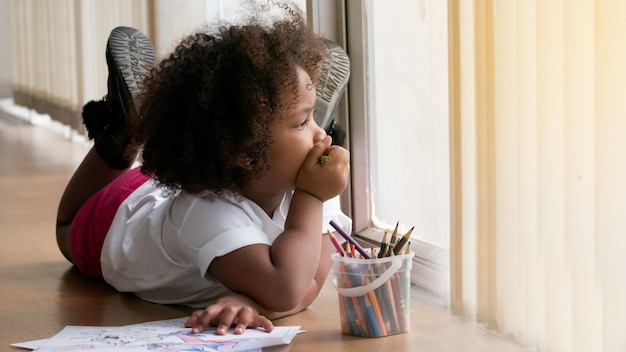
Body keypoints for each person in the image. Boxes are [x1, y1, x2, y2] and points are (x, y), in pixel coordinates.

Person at [55, 3, 351, 336]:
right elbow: (288, 289)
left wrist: (252, 303)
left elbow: (311, 280)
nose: (322, 137)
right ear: (242, 147)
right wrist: (310, 198)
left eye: (312, 118)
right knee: (66, 229)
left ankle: (141, 120)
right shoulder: (206, 213)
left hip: (171, 185)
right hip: (116, 219)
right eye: (301, 122)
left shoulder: (314, 180)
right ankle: (125, 128)